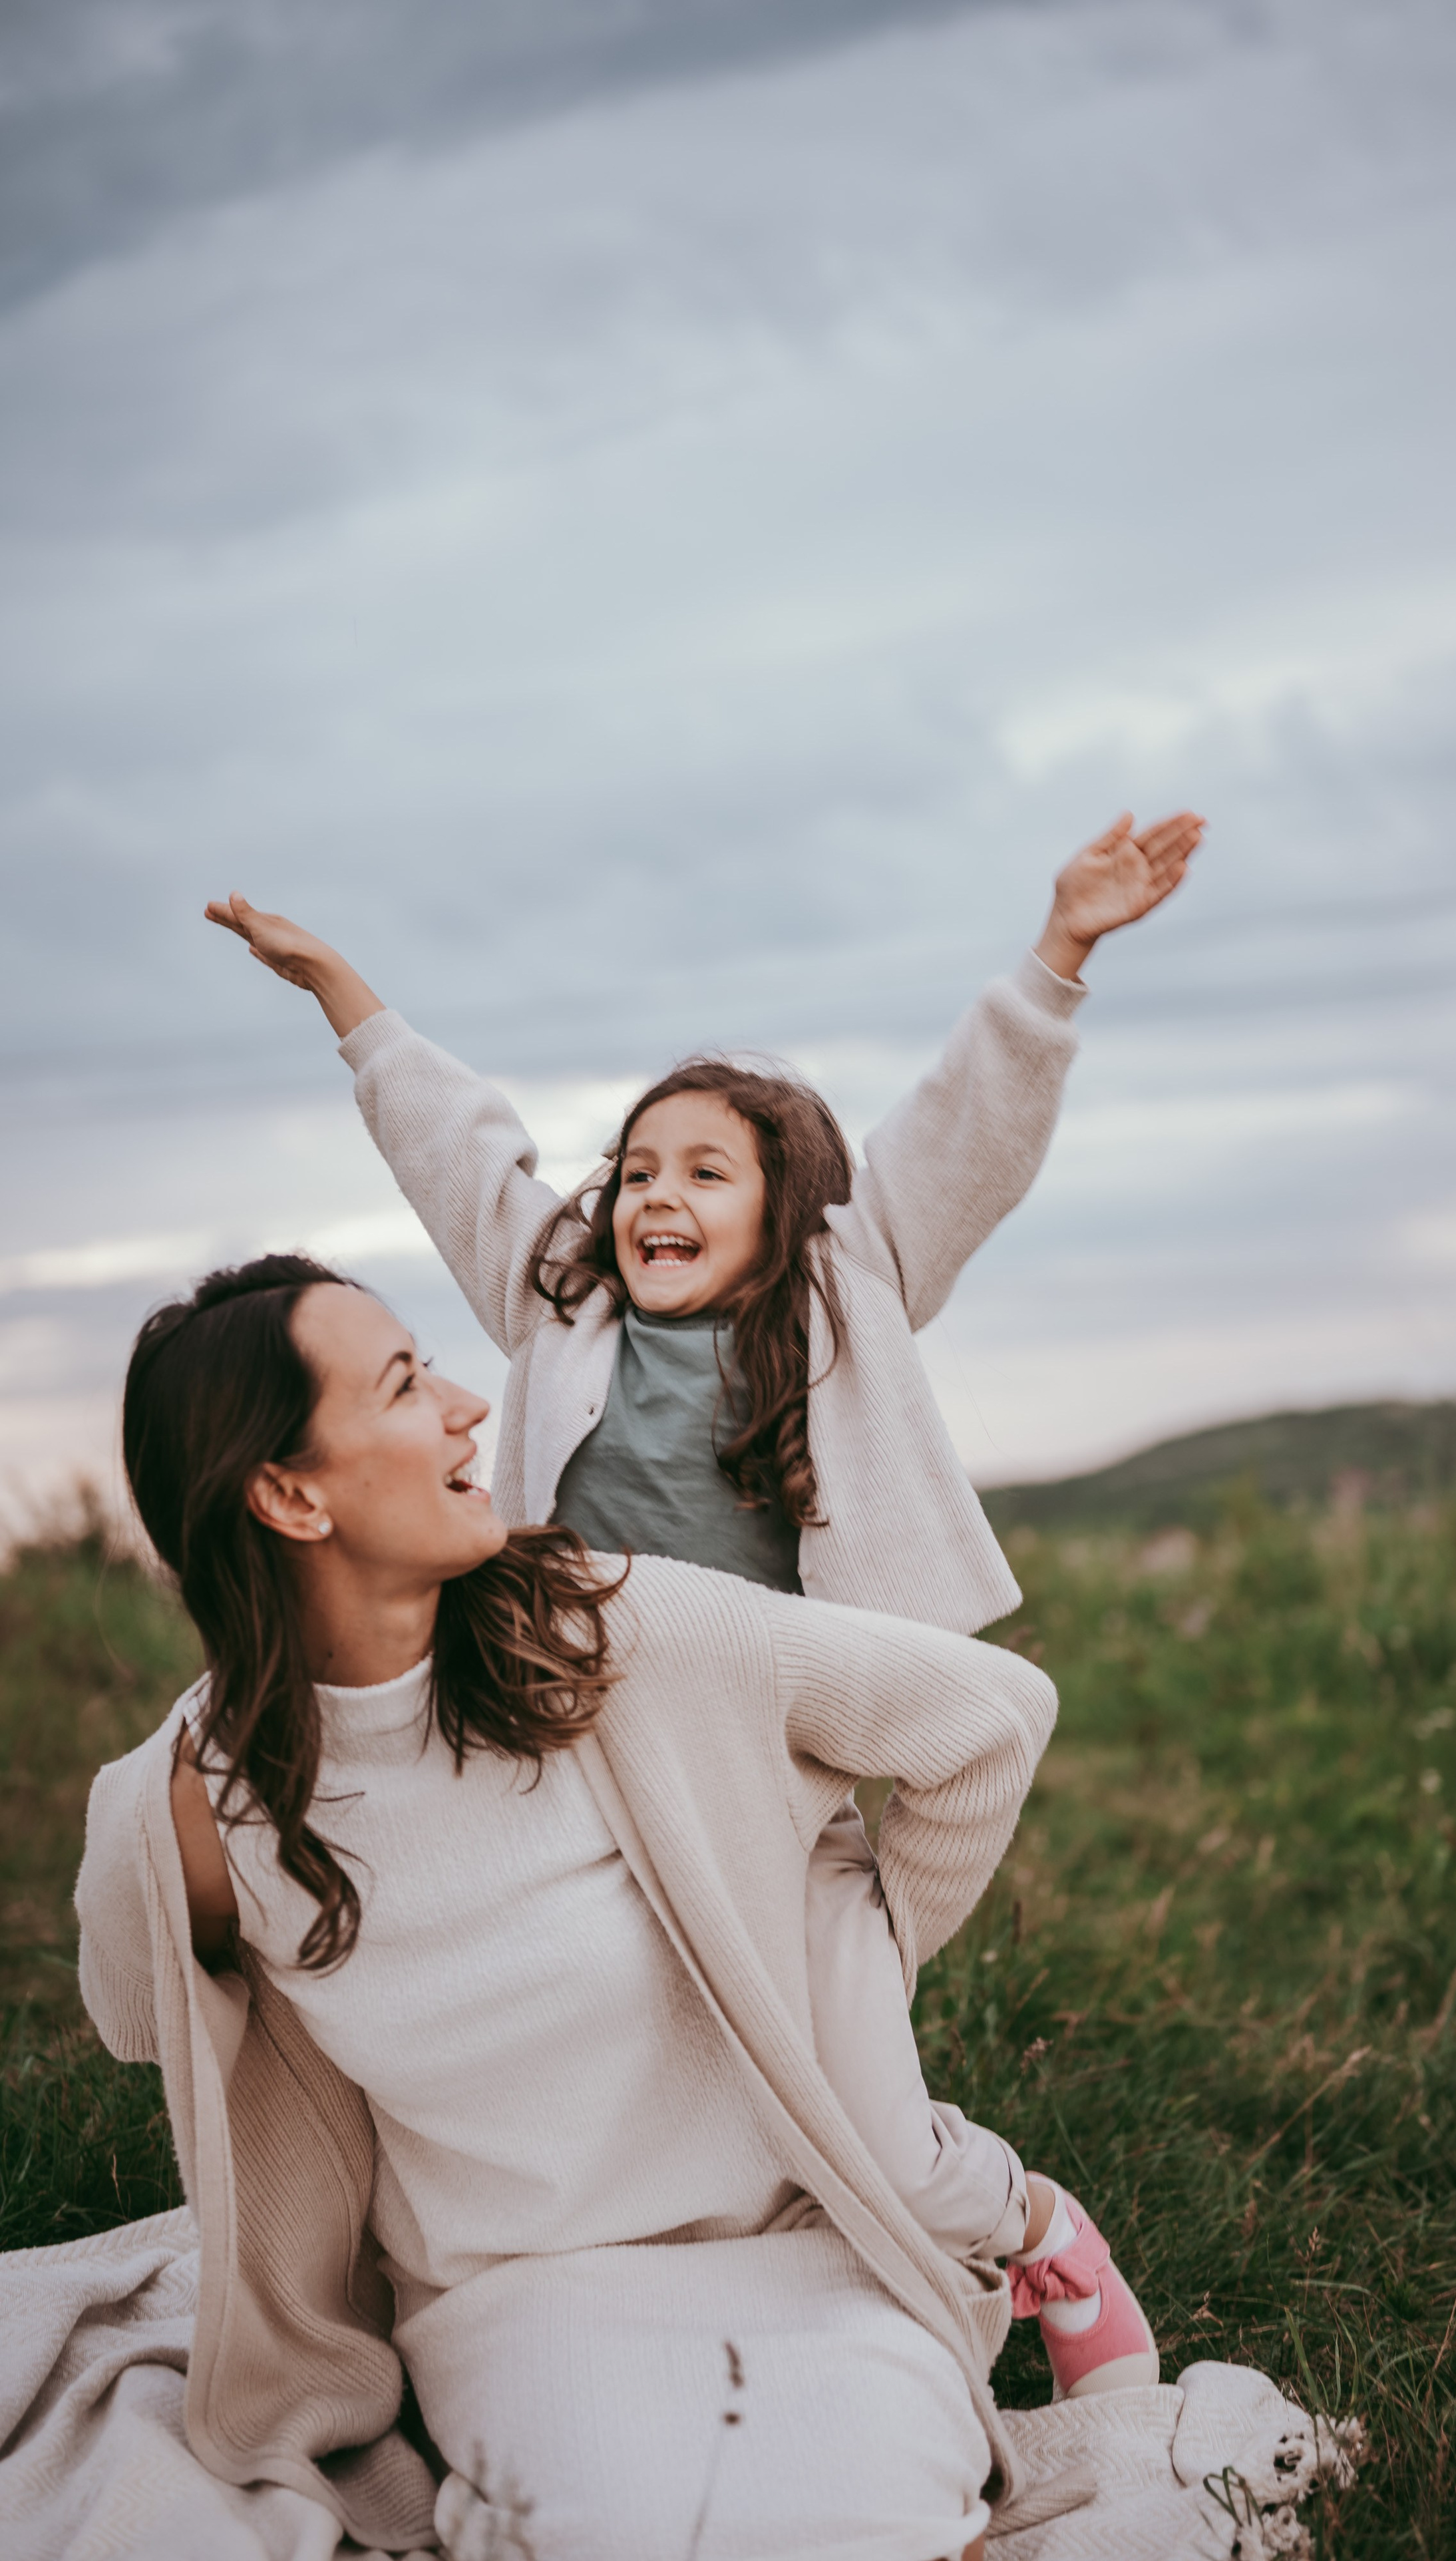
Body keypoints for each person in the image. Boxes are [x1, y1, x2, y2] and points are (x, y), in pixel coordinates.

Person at [206, 807, 1204, 2395]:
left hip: (780, 1790)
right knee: (635, 2064)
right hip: (578, 1780)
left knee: (863, 2108)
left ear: (783, 1200)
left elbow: (964, 1133)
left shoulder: (845, 1284)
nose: (653, 1194)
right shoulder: (556, 1297)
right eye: (637, 1168)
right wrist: (346, 996)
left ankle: (1020, 2220)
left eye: (704, 1170)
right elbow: (458, 1151)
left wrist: (1060, 952)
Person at [78, 1255, 1067, 2557]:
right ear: (286, 1492)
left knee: (882, 2518)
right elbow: (142, 2021)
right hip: (516, 2300)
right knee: (626, 2529)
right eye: (400, 1384)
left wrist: (853, 1969)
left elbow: (988, 1722)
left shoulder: (612, 1636)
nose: (464, 1404)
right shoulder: (188, 1806)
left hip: (798, 2243)